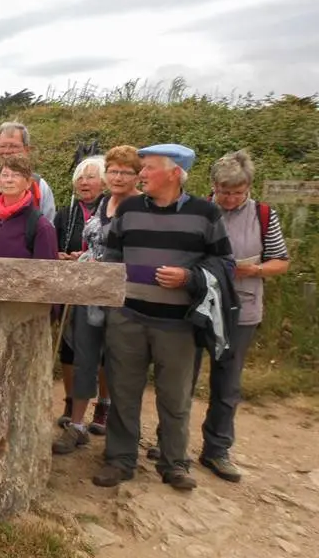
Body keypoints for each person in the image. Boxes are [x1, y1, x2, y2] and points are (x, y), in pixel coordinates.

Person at [94, 143, 233, 492]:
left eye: (149, 168)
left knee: (175, 397)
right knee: (124, 392)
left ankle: (174, 464)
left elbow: (224, 264)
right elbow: (111, 257)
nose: (141, 174)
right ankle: (120, 460)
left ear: (174, 173)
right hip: (127, 318)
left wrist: (189, 278)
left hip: (179, 324)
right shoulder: (127, 208)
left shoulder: (206, 214)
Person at [196, 150, 290, 483]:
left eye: (238, 191)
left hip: (242, 308)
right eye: (224, 191)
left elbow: (281, 260)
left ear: (249, 186)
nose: (231, 198)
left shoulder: (264, 214)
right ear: (213, 186)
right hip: (197, 305)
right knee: (179, 377)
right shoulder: (198, 211)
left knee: (227, 382)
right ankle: (170, 445)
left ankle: (217, 449)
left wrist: (254, 269)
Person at [52, 146, 140, 453]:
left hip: (124, 297)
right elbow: (94, 244)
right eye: (113, 171)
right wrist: (84, 257)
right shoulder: (104, 205)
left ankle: (120, 437)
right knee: (84, 358)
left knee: (120, 362)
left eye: (124, 172)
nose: (116, 177)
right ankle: (77, 426)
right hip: (89, 293)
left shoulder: (142, 207)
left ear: (136, 176)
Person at [53, 155, 107, 432]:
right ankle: (71, 402)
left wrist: (86, 258)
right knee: (70, 348)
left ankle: (103, 406)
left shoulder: (113, 210)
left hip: (103, 289)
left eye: (91, 177)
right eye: (80, 178)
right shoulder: (66, 213)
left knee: (103, 350)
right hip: (71, 289)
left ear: (104, 181)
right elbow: (53, 244)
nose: (85, 183)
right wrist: (61, 256)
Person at [0, 155, 57, 259]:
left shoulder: (41, 227)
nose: (9, 180)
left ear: (28, 183)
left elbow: (48, 271)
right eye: (5, 175)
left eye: (16, 175)